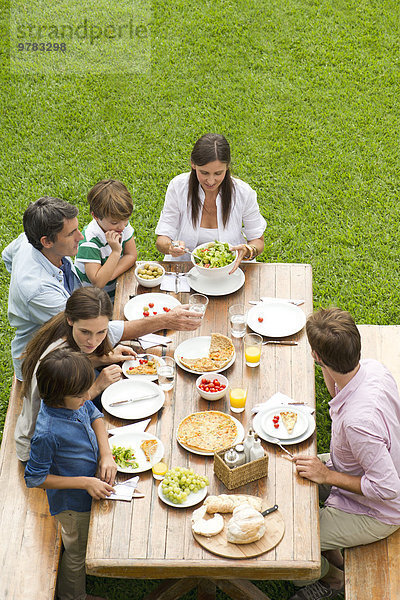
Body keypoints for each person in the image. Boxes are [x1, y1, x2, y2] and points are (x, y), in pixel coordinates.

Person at [2, 196, 201, 380]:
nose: (81, 237)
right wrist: (166, 319)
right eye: (71, 234)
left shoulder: (27, 240)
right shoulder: (39, 291)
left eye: (78, 229)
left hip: (76, 341)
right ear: (46, 242)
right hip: (48, 362)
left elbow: (7, 256)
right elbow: (92, 327)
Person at [290, 307, 400, 600]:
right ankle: (336, 552)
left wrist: (326, 475)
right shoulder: (372, 369)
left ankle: (333, 579)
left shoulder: (358, 423)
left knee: (294, 542)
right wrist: (325, 365)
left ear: (317, 356)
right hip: (355, 469)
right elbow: (337, 395)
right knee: (291, 469)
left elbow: (387, 488)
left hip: (380, 511)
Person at [24, 348, 116, 600]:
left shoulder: (76, 401)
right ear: (57, 395)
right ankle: (73, 596)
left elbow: (95, 416)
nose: (88, 397)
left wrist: (105, 454)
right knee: (77, 551)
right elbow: (35, 477)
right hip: (73, 505)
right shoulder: (47, 433)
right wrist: (85, 482)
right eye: (80, 394)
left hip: (91, 485)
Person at [15, 286, 135, 462]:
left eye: (101, 331)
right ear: (70, 320)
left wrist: (103, 358)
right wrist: (97, 386)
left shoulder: (64, 333)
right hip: (42, 448)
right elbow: (59, 410)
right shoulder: (53, 359)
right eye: (85, 332)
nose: (93, 341)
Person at [155, 133, 266, 273]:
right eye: (204, 173)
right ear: (193, 164)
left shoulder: (244, 193)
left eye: (218, 173)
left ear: (227, 167)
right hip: (185, 269)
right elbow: (162, 238)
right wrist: (170, 247)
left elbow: (257, 240)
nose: (211, 181)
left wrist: (249, 250)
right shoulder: (178, 187)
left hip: (232, 269)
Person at [75, 179, 137, 299]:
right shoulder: (89, 242)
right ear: (96, 216)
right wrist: (116, 252)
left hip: (116, 291)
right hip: (93, 300)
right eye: (114, 222)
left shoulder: (121, 225)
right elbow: (98, 283)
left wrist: (108, 275)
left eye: (126, 220)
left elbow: (131, 255)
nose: (122, 226)